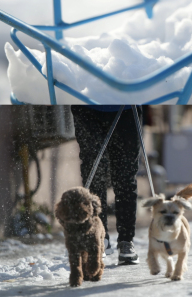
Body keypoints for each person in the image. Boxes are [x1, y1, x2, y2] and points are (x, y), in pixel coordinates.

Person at [71, 105, 142, 265]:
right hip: (87, 107)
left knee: (125, 176)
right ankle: (98, 239)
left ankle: (126, 241)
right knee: (94, 172)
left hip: (126, 109)